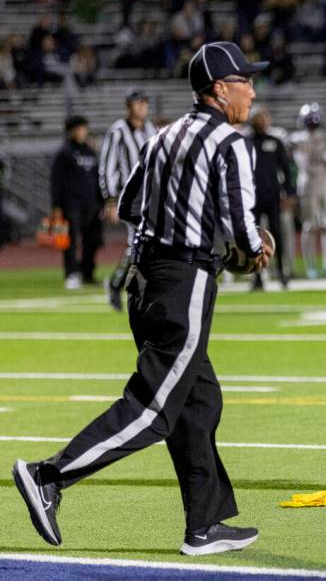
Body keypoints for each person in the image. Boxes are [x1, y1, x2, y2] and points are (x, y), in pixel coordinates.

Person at [13, 41, 272, 555]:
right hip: (185, 280)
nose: (253, 90)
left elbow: (128, 204)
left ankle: (205, 525)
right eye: (245, 80)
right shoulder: (229, 142)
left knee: (199, 400)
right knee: (154, 407)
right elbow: (242, 228)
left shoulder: (161, 136)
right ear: (220, 90)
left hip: (145, 280)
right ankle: (50, 475)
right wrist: (253, 249)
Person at [99, 89, 156, 311]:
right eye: (137, 103)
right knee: (138, 240)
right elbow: (107, 164)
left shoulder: (151, 129)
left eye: (144, 102)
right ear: (129, 106)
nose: (142, 107)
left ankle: (124, 284)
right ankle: (122, 285)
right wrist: (110, 199)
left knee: (144, 242)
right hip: (129, 196)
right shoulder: (118, 131)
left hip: (149, 195)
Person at [288, 103, 326, 278]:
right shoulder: (298, 138)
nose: (312, 124)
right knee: (309, 226)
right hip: (308, 183)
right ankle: (310, 266)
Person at [247, 107, 297, 289]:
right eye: (257, 118)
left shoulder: (275, 142)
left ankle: (282, 272)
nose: (260, 122)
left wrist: (290, 192)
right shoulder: (245, 142)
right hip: (251, 197)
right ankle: (257, 277)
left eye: (263, 118)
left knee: (277, 234)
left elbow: (287, 168)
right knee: (253, 237)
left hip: (273, 196)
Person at [50, 115, 102, 289]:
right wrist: (56, 205)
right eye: (78, 129)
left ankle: (87, 272)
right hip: (71, 204)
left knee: (93, 239)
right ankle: (71, 274)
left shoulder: (90, 150)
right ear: (71, 131)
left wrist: (101, 202)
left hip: (91, 203)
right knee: (70, 241)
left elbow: (97, 178)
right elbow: (56, 180)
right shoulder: (64, 152)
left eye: (83, 128)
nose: (82, 132)